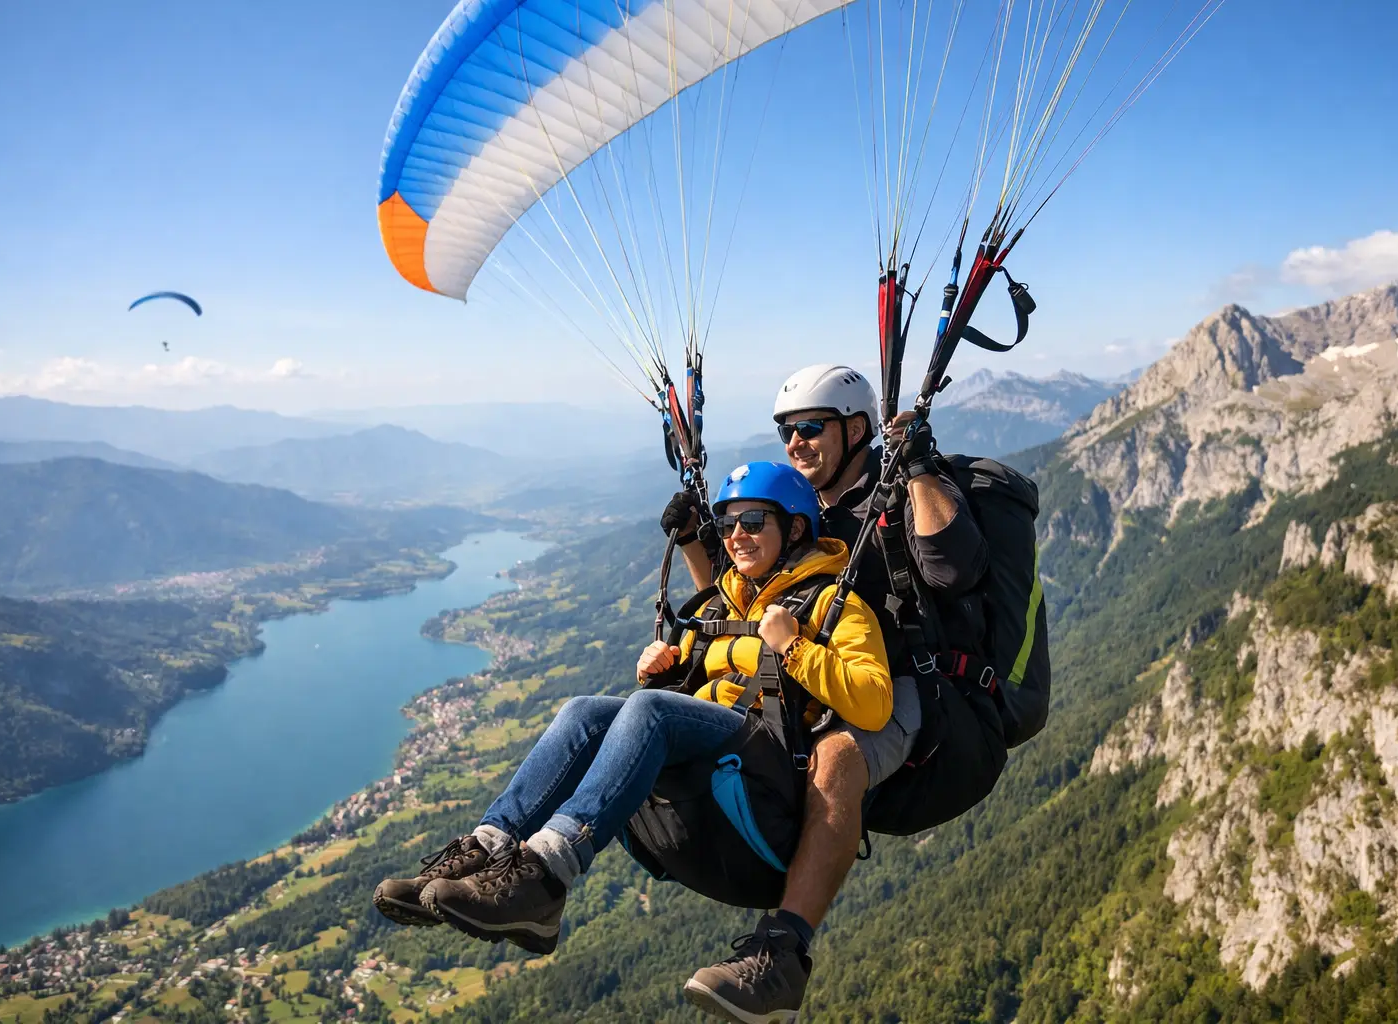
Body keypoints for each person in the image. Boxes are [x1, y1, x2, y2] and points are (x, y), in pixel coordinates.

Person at [374, 462, 891, 1022]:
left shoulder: (829, 604)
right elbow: (697, 688)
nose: (736, 534)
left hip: (769, 772)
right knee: (584, 712)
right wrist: (667, 675)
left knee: (645, 710)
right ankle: (488, 846)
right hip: (716, 759)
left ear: (794, 530)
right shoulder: (721, 606)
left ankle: (546, 874)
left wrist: (793, 647)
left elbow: (873, 702)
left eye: (752, 520)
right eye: (727, 524)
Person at [657, 364, 992, 1019]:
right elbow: (744, 599)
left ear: (857, 427)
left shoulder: (896, 493)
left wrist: (919, 465)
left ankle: (783, 954)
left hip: (898, 683)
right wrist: (697, 538)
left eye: (812, 428)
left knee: (838, 756)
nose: (797, 442)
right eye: (787, 431)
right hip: (806, 674)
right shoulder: (798, 510)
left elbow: (954, 570)